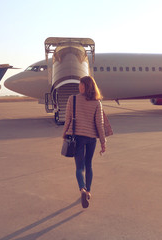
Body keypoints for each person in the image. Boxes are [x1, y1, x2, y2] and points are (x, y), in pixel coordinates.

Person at [62, 76, 107, 208]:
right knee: (89, 165)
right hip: (91, 138)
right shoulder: (97, 102)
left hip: (77, 137)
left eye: (81, 84)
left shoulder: (73, 99)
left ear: (85, 86)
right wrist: (103, 142)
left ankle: (82, 189)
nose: (79, 87)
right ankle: (88, 191)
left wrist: (64, 133)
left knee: (79, 167)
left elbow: (68, 119)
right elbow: (100, 124)